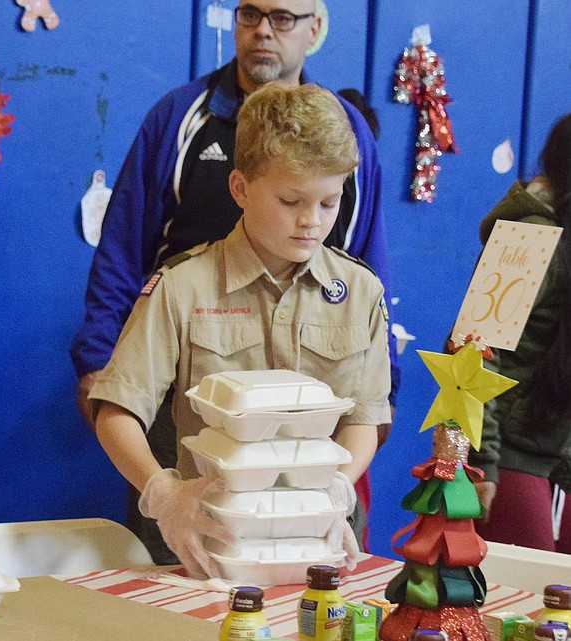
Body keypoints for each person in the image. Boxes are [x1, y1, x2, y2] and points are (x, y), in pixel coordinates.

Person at [71, 0, 399, 561]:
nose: (312, 221)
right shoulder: (181, 277)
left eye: (328, 203)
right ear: (241, 190)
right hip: (199, 507)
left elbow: (366, 412)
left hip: (317, 511)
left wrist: (340, 484)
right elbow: (121, 255)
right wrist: (161, 491)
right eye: (292, 201)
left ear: (315, 28)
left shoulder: (357, 289)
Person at [469, 113, 571, 553]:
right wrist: (481, 461)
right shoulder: (527, 239)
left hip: (558, 457)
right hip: (512, 456)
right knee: (527, 612)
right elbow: (470, 354)